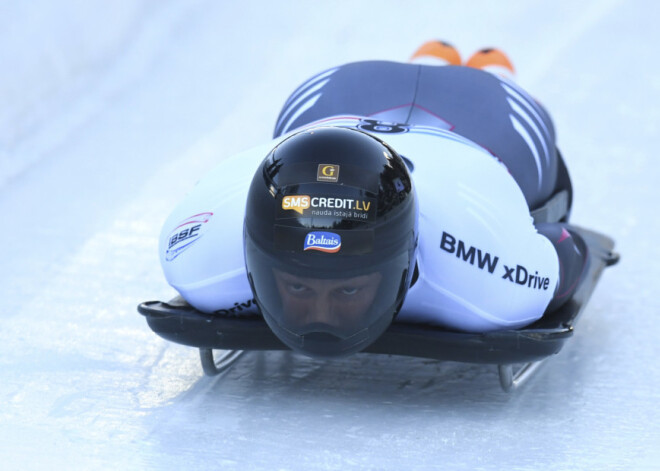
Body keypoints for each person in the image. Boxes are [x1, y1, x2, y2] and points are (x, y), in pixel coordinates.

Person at [159, 41, 587, 358]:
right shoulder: (198, 257)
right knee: (489, 80)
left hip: (452, 114)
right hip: (450, 113)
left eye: (347, 289)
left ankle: (479, 68)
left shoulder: (489, 281)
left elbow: (569, 248)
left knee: (509, 103)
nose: (319, 318)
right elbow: (567, 249)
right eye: (297, 286)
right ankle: (462, 62)